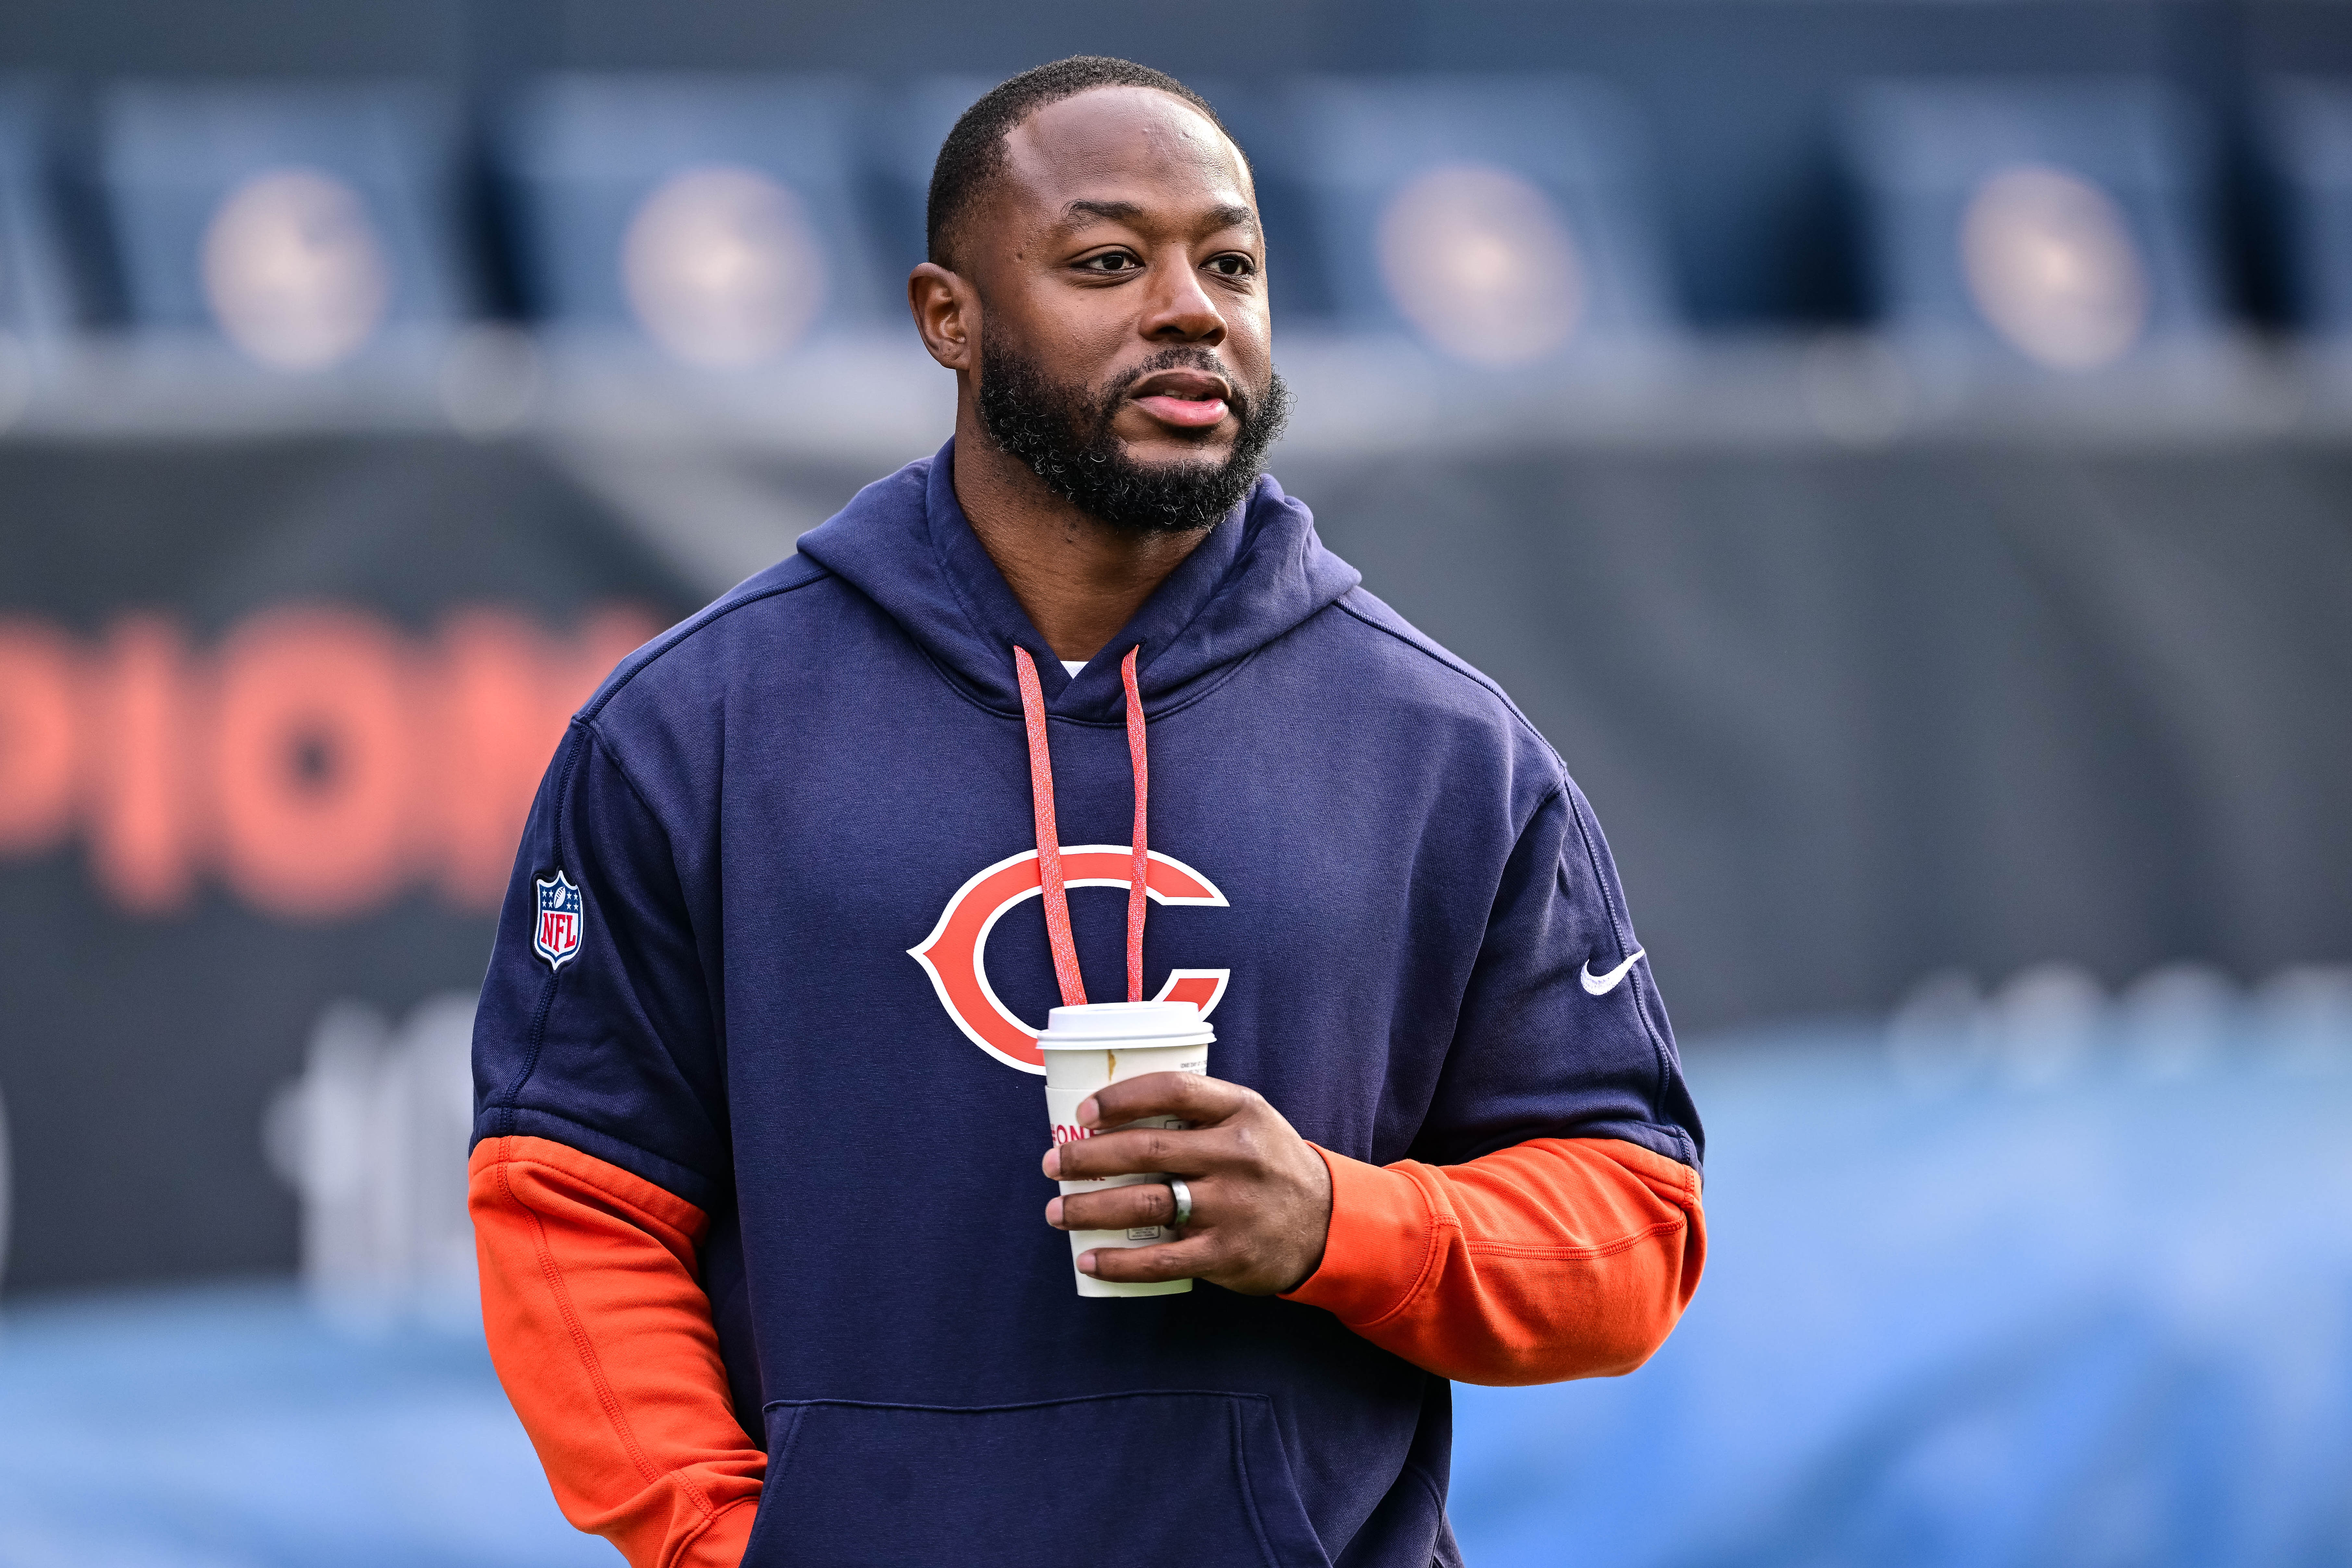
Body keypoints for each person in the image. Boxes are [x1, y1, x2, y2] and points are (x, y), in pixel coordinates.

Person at [469, 55, 1705, 1568]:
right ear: (950, 316)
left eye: (1232, 262)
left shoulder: (1445, 746)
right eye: (1108, 260)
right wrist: (727, 1544)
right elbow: (570, 1204)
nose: (1191, 307)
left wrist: (1333, 1218)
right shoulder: (694, 724)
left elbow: (1634, 1231)